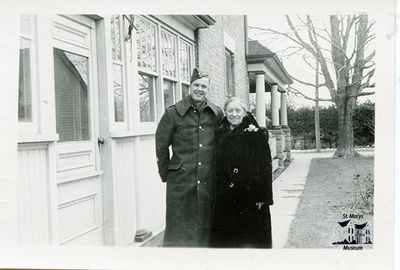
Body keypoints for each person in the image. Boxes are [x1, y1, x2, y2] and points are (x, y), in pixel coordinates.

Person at [155, 68, 224, 247]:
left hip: (207, 180)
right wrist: (167, 175)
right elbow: (161, 147)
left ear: (208, 89)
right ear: (189, 87)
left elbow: (229, 134)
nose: (199, 89)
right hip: (180, 182)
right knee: (179, 229)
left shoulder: (216, 114)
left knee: (204, 227)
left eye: (203, 86)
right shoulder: (173, 113)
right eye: (196, 85)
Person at [210, 97, 273, 248]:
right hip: (225, 196)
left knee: (250, 242)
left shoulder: (255, 134)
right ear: (225, 113)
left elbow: (265, 167)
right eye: (230, 110)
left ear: (244, 112)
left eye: (238, 110)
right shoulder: (219, 133)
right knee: (227, 243)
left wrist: (263, 196)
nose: (234, 114)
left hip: (250, 196)